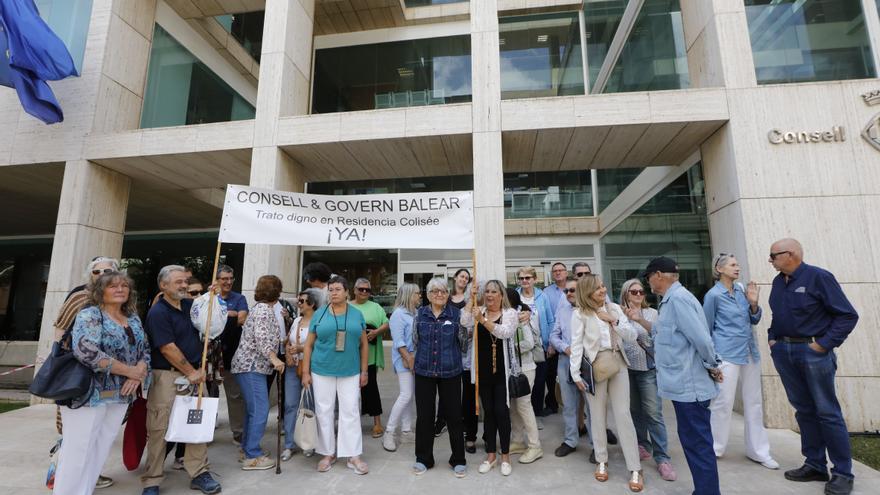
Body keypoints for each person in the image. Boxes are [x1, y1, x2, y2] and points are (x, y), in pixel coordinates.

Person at [767, 239, 858, 495]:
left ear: (791, 254)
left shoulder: (819, 277)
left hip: (813, 353)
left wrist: (823, 345)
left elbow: (847, 315)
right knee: (804, 411)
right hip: (784, 352)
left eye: (773, 255)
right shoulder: (778, 282)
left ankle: (842, 472)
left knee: (827, 412)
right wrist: (773, 338)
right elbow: (778, 315)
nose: (770, 260)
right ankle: (815, 464)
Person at [53, 271, 150, 495]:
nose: (120, 289)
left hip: (120, 395)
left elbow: (145, 349)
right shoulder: (90, 315)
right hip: (88, 394)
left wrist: (139, 373)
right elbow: (86, 352)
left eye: (124, 285)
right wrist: (130, 372)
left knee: (100, 450)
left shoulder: (133, 318)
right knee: (77, 452)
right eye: (113, 286)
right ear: (100, 291)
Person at [644, 257, 722, 495]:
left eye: (648, 277)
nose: (648, 283)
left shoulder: (679, 300)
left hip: (691, 388)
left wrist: (713, 365)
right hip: (681, 387)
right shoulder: (668, 301)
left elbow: (701, 339)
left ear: (658, 275)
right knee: (693, 443)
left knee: (698, 445)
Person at [141, 265, 221, 495]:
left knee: (196, 425)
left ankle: (199, 473)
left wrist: (211, 298)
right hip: (168, 376)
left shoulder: (190, 306)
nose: (184, 286)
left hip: (195, 375)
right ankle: (152, 480)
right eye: (178, 282)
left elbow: (212, 321)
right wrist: (190, 372)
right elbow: (167, 348)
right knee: (159, 428)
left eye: (185, 281)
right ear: (163, 285)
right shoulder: (158, 313)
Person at [50, 256, 120, 490]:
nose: (102, 275)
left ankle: (89, 475)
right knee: (75, 433)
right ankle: (63, 476)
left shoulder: (119, 301)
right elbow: (60, 329)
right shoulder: (81, 296)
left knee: (99, 432)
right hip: (80, 371)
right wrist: (63, 359)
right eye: (96, 272)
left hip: (109, 377)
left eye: (107, 271)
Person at [569, 274, 643, 492]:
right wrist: (575, 375)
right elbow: (576, 345)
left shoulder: (615, 309)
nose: (602, 290)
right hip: (594, 367)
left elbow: (631, 336)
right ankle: (601, 459)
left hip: (618, 362)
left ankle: (635, 467)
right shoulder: (580, 314)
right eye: (597, 288)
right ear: (587, 292)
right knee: (597, 415)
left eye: (602, 286)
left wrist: (613, 320)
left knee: (623, 415)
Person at [704, 253, 778, 470]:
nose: (738, 268)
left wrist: (754, 304)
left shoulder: (742, 290)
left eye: (738, 265)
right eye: (733, 265)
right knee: (722, 402)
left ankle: (759, 451)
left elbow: (754, 319)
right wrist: (711, 361)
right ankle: (714, 448)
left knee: (754, 402)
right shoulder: (713, 296)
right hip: (725, 354)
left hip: (749, 352)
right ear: (719, 269)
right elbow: (706, 329)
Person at [301, 276, 370, 475]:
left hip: (350, 370)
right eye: (331, 289)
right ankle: (327, 452)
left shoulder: (357, 314)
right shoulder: (320, 314)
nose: (334, 293)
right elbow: (308, 345)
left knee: (351, 411)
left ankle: (353, 454)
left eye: (338, 289)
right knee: (324, 411)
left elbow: (364, 344)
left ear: (347, 292)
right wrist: (305, 372)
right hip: (322, 369)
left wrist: (364, 371)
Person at [619, 278, 676, 481]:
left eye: (641, 292)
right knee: (635, 411)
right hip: (626, 370)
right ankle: (643, 444)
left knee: (653, 413)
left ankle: (662, 458)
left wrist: (639, 320)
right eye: (633, 292)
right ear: (626, 294)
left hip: (648, 369)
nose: (638, 295)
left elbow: (657, 341)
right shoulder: (618, 314)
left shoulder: (652, 313)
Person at [411, 278, 468, 477]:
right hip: (424, 372)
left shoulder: (457, 314)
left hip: (450, 371)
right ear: (427, 295)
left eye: (443, 291)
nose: (439, 294)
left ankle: (458, 459)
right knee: (425, 417)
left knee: (454, 417)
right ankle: (423, 458)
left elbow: (463, 344)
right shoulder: (420, 315)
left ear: (448, 294)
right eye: (434, 291)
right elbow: (415, 341)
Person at [461, 280, 518, 476]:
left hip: (502, 372)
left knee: (502, 411)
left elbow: (504, 332)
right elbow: (464, 321)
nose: (490, 295)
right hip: (483, 371)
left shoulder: (510, 314)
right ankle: (491, 455)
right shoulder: (480, 310)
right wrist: (471, 299)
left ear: (502, 294)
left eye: (494, 291)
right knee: (489, 412)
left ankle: (506, 456)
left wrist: (483, 321)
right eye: (487, 292)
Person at [230, 275, 286, 470]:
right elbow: (261, 338)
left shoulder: (260, 309)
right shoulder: (263, 310)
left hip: (249, 366)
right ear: (278, 292)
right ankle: (252, 456)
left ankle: (247, 449)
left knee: (252, 410)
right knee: (261, 410)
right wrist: (274, 359)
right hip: (251, 366)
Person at [549, 276, 594, 461]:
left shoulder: (592, 310)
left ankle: (596, 445)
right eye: (566, 291)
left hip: (588, 363)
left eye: (572, 290)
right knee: (569, 405)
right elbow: (554, 334)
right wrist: (563, 347)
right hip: (566, 361)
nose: (568, 294)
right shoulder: (563, 311)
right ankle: (570, 441)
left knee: (592, 407)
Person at [435, 268, 478, 450]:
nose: (463, 280)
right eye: (461, 276)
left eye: (466, 278)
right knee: (446, 390)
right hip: (449, 350)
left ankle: (468, 431)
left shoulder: (471, 299)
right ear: (455, 278)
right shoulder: (446, 297)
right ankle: (441, 421)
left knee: (468, 392)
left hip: (467, 351)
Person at [282, 288, 321, 460]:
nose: (298, 304)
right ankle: (289, 444)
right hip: (293, 367)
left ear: (311, 304)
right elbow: (288, 339)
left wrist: (301, 349)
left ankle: (309, 442)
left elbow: (319, 346)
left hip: (311, 367)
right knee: (290, 405)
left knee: (309, 405)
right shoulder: (296, 320)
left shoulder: (318, 322)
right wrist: (289, 352)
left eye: (302, 301)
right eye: (298, 301)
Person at [506, 288, 543, 464]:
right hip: (513, 370)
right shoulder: (507, 317)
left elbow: (529, 343)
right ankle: (518, 441)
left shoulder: (522, 318)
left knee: (524, 406)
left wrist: (509, 346)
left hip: (526, 368)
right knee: (513, 406)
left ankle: (535, 446)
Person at [516, 267, 555, 427]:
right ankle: (522, 416)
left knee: (539, 381)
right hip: (522, 345)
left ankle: (535, 414)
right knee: (524, 382)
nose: (525, 281)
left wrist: (550, 343)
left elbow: (551, 320)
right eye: (521, 278)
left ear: (534, 279)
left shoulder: (542, 296)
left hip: (540, 345)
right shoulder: (514, 296)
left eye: (528, 278)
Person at [383, 283, 420, 452]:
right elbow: (398, 342)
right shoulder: (398, 315)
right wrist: (409, 359)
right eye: (417, 294)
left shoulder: (415, 313)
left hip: (415, 359)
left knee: (409, 395)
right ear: (409, 295)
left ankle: (406, 431)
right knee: (405, 394)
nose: (420, 296)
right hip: (404, 359)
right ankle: (389, 432)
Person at [351, 278, 388, 438]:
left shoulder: (376, 307)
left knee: (371, 389)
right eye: (361, 289)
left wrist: (375, 332)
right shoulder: (347, 307)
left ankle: (377, 423)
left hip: (370, 356)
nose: (364, 292)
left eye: (367, 290)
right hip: (350, 356)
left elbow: (386, 324)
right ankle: (349, 424)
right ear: (354, 290)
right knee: (350, 391)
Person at [217, 265, 249, 446]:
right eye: (224, 279)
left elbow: (242, 319)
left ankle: (238, 432)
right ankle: (202, 429)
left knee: (235, 394)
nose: (228, 282)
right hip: (208, 354)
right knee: (207, 393)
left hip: (231, 353)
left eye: (231, 279)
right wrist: (229, 314)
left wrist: (221, 316)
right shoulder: (209, 298)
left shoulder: (239, 298)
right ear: (217, 280)